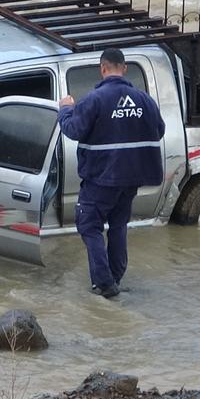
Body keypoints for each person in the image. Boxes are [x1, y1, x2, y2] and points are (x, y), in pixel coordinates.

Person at [58, 48, 165, 299]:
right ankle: (115, 278)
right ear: (124, 68)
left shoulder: (93, 99)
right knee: (118, 225)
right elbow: (158, 130)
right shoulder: (144, 99)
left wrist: (64, 109)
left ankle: (104, 284)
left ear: (103, 68)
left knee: (89, 225)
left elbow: (73, 130)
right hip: (131, 179)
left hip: (101, 177)